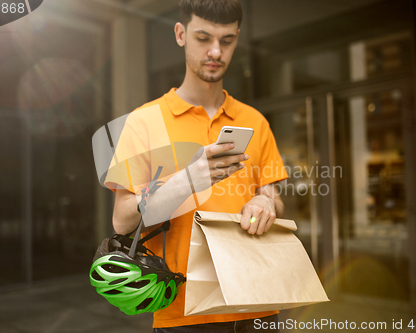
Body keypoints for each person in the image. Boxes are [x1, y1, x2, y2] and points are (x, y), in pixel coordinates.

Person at [104, 0, 288, 331]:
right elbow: (122, 220)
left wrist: (266, 201)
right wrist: (186, 180)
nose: (216, 51)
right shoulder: (144, 121)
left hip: (257, 302)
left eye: (227, 40)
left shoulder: (255, 121)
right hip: (183, 313)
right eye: (203, 38)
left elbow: (274, 197)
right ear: (180, 34)